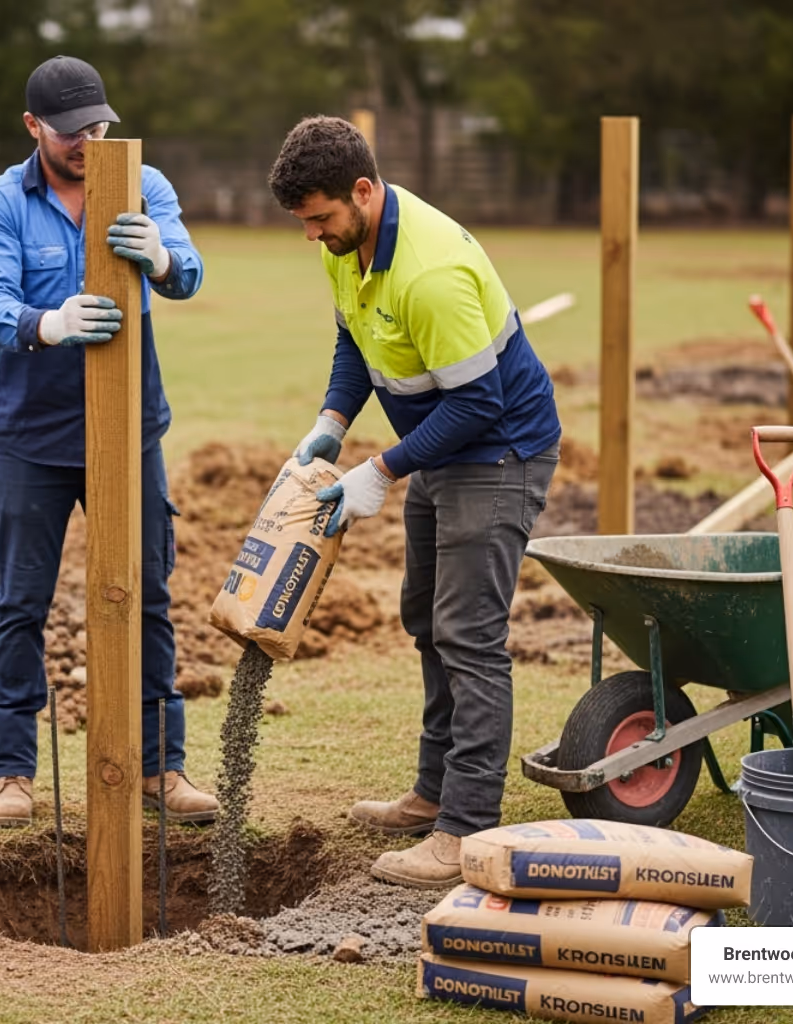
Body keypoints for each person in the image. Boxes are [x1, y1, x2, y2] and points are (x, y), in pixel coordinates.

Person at [268, 115, 562, 887]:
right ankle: (433, 794)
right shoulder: (346, 246)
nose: (311, 235)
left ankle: (465, 830)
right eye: (304, 222)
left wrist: (380, 470)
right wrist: (332, 422)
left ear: (363, 191)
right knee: (426, 619)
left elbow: (479, 404)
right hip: (444, 445)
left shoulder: (430, 272)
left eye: (319, 218)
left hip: (499, 451)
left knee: (469, 635)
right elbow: (354, 341)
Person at [0, 55, 217, 828]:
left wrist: (162, 257)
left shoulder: (144, 183)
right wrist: (48, 323)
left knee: (147, 595)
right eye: (71, 131)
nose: (87, 142)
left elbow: (189, 274)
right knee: (21, 604)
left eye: (97, 127)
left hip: (130, 431)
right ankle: (12, 774)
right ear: (32, 126)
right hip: (31, 438)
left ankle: (160, 767)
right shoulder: (0, 203)